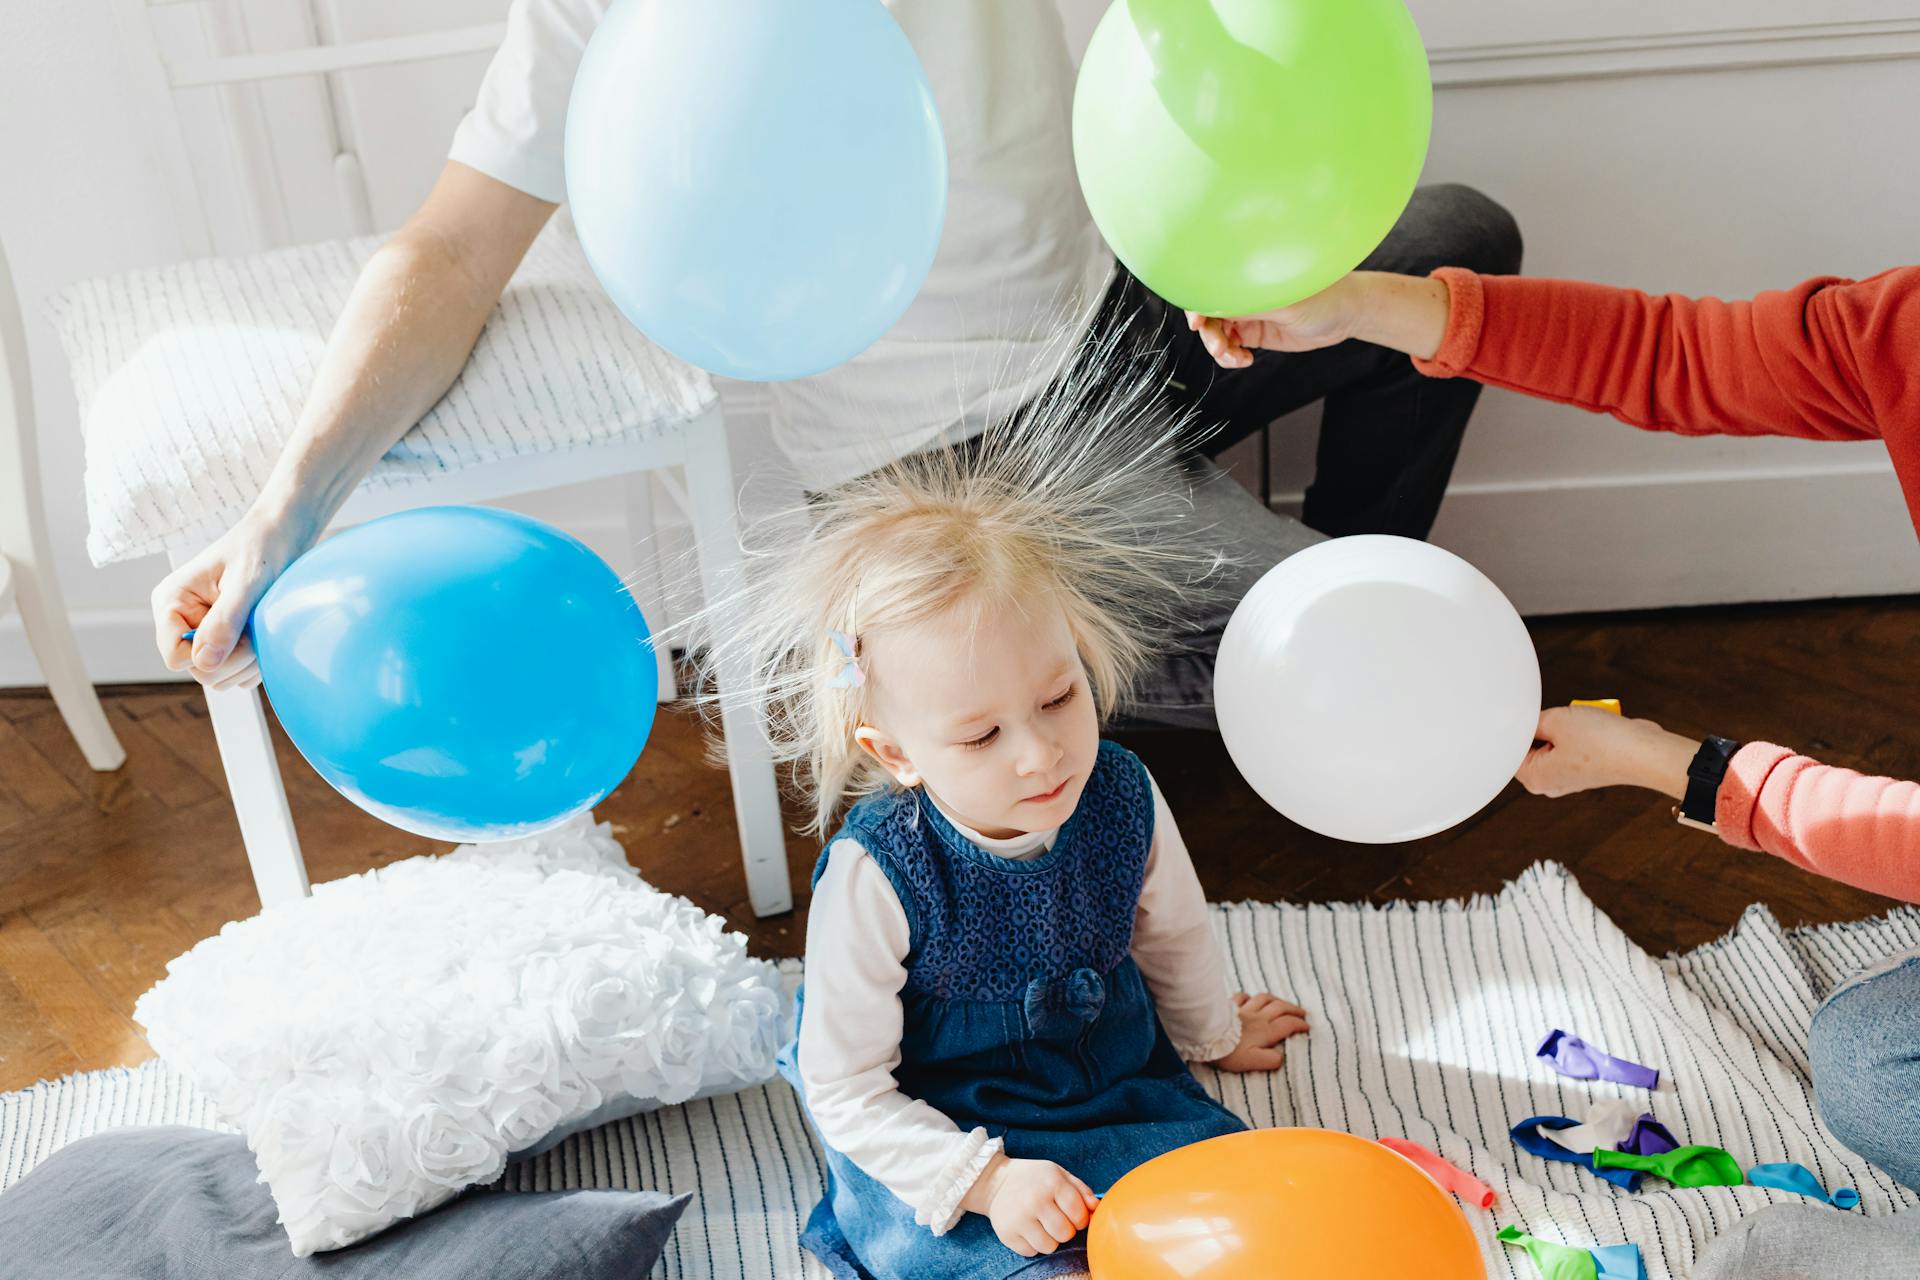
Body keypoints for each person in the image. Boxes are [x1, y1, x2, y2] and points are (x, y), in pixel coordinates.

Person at [149, 0, 1523, 732]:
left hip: (1122, 308)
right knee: (1393, 652)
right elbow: (449, 255)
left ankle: (1331, 621)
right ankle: (1268, 657)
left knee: (1464, 245)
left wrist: (1231, 229)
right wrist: (284, 510)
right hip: (957, 464)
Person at [1187, 261, 1920, 1197]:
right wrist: (1362, 305)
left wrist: (1677, 769)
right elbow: (1671, 354)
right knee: (1871, 1053)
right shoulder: (1903, 328)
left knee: (1871, 1068)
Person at [690, 366, 1309, 1279]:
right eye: (981, 735)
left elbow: (1172, 932)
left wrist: (1211, 1033)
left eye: (1060, 697)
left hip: (1106, 1080)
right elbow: (847, 1088)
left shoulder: (1123, 793)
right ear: (896, 753)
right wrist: (982, 1182)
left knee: (1233, 1226)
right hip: (941, 1123)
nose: (1040, 754)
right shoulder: (881, 874)